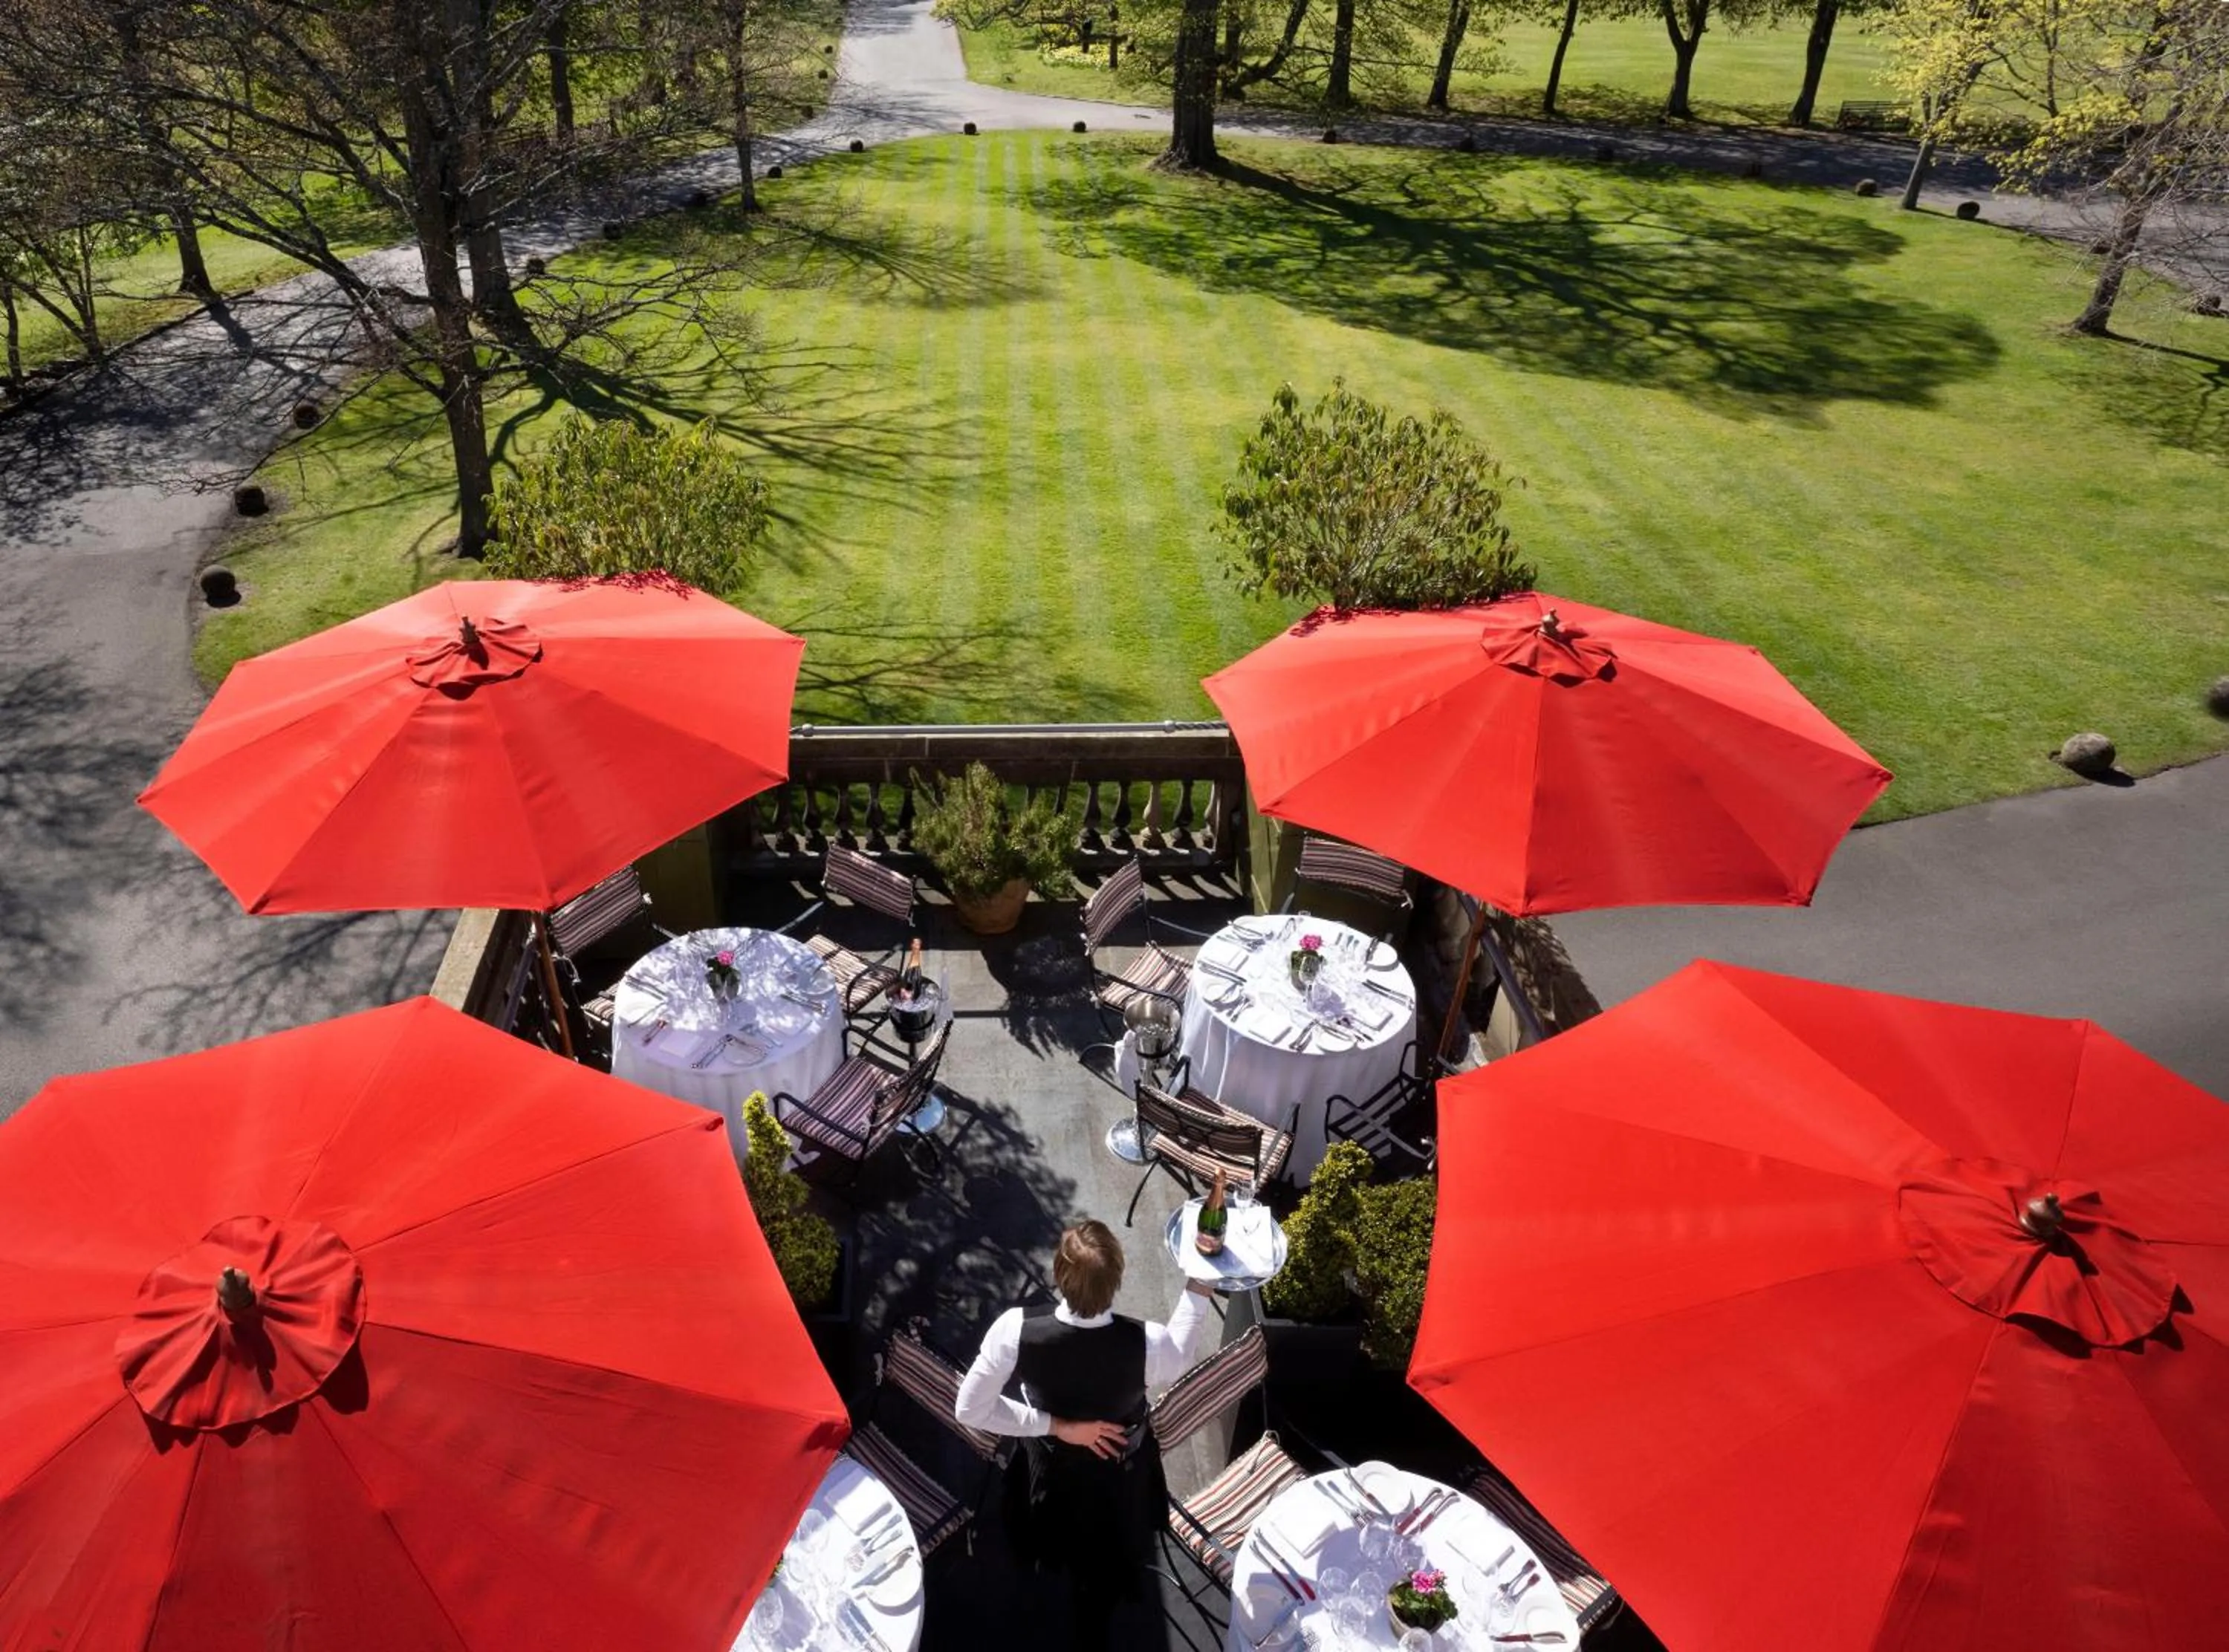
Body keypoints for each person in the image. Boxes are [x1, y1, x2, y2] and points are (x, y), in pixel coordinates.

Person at [955, 1220, 1219, 1644]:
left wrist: (1058, 1427)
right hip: (1121, 1474)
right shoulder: (1149, 1343)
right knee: (1105, 1562)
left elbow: (970, 1409)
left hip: (1049, 1470)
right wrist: (1203, 1272)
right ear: (1117, 1278)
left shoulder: (1014, 1331)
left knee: (1049, 1549)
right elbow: (1181, 1350)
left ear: (1058, 1274)